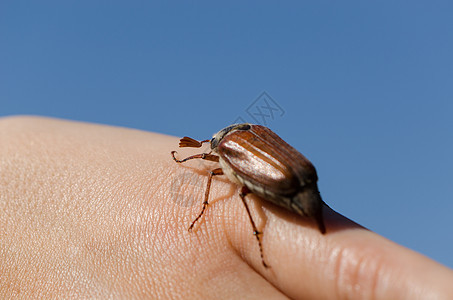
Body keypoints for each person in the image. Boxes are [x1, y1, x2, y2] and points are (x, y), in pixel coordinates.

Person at [1, 116, 452, 299]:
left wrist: (192, 162)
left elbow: (214, 164)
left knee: (234, 191)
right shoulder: (249, 133)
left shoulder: (226, 151)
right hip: (299, 178)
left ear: (217, 144)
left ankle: (259, 235)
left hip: (283, 186)